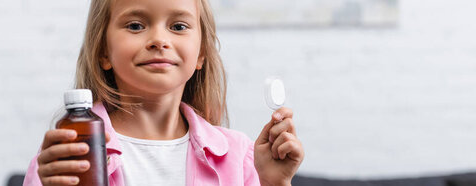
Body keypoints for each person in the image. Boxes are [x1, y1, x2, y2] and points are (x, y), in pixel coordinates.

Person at [22, 0, 304, 185]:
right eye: (135, 25)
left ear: (201, 54)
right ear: (103, 51)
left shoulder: (241, 156)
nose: (159, 40)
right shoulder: (68, 154)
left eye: (178, 26)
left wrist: (273, 183)